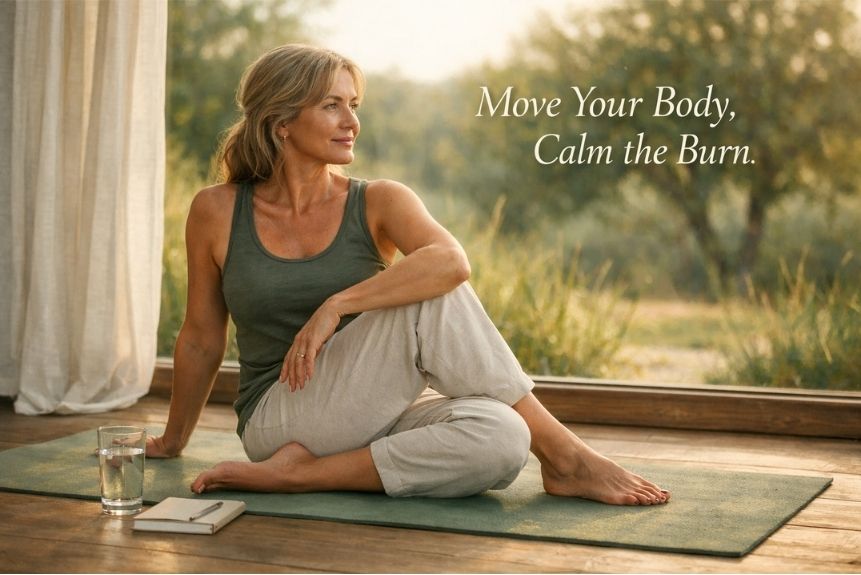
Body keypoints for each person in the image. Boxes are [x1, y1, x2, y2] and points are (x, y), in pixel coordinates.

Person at [146, 43, 670, 505]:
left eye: (353, 105)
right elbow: (199, 338)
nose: (351, 121)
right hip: (281, 414)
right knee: (429, 293)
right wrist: (172, 441)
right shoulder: (218, 210)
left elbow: (453, 262)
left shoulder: (379, 200)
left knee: (504, 437)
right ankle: (567, 458)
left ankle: (303, 477)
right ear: (281, 121)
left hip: (374, 408)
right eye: (332, 105)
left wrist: (337, 305)